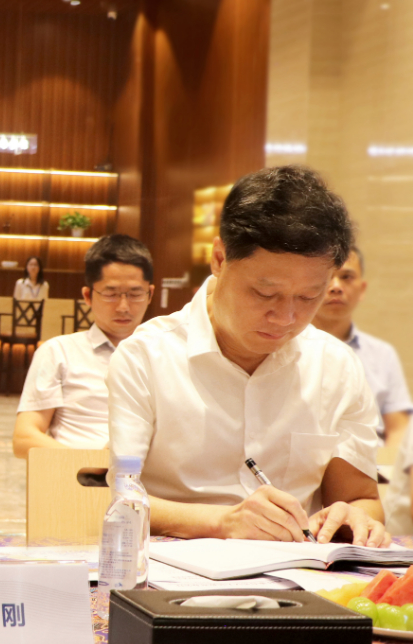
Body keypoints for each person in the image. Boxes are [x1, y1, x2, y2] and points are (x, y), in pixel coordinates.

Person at [109, 165, 388, 546]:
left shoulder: (335, 366)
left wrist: (353, 517)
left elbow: (360, 499)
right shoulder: (146, 357)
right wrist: (222, 522)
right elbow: (121, 499)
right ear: (219, 259)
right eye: (264, 293)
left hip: (295, 573)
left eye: (309, 297)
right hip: (173, 571)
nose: (286, 317)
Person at [12, 234, 154, 458]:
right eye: (111, 294)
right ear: (88, 296)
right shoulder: (58, 352)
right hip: (78, 473)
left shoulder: (167, 354)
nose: (123, 307)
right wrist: (93, 463)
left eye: (135, 294)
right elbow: (24, 438)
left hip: (148, 474)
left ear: (150, 294)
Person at [311, 247, 412, 448]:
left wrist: (388, 467)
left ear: (362, 289)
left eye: (346, 277)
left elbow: (398, 428)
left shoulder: (383, 354)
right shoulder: (285, 348)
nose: (336, 287)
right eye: (327, 277)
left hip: (373, 462)